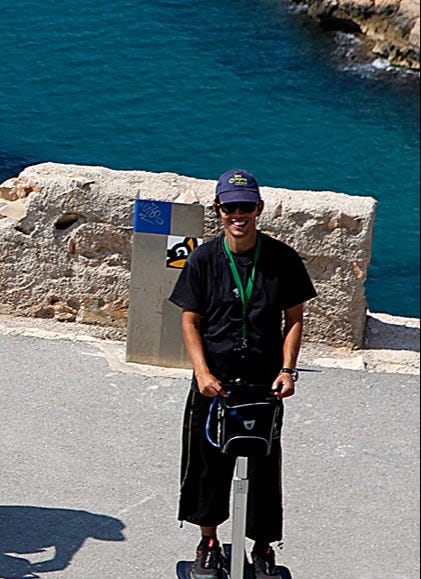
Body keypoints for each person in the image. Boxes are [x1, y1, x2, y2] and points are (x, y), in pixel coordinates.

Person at [170, 169, 315, 579]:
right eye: (230, 207)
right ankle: (209, 541)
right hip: (214, 383)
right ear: (218, 210)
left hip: (263, 383)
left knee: (265, 468)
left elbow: (295, 319)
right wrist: (201, 372)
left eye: (246, 207)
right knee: (206, 465)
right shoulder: (202, 259)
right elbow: (189, 320)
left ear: (259, 209)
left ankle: (263, 548)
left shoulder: (282, 259)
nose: (239, 214)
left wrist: (288, 370)